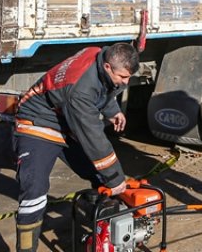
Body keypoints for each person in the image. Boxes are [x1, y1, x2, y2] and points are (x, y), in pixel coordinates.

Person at [12, 42, 139, 252]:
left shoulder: (99, 55)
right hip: (37, 122)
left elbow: (103, 89)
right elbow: (93, 137)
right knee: (34, 190)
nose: (125, 82)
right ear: (108, 66)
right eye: (123, 77)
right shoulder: (79, 91)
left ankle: (105, 235)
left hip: (66, 118)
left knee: (99, 176)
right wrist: (117, 179)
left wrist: (112, 110)